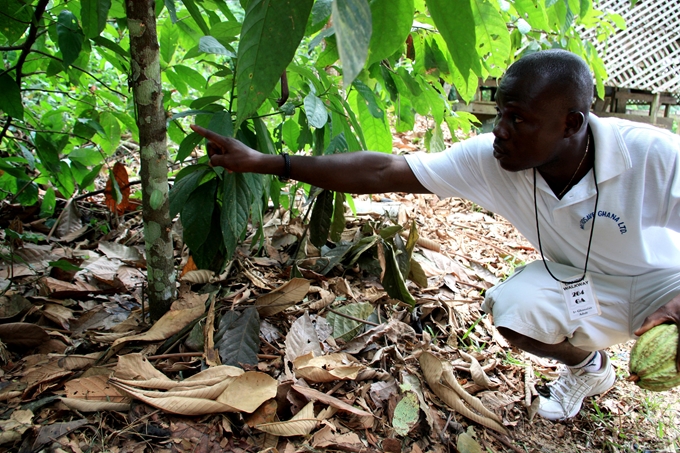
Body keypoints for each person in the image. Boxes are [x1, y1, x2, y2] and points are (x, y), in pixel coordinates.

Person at [191, 49, 680, 421]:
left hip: (667, 286)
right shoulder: (497, 162)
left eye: (519, 119)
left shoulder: (651, 154)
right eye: (500, 112)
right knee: (514, 310)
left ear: (570, 124)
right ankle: (590, 368)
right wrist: (270, 163)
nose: (500, 131)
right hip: (582, 282)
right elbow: (383, 171)